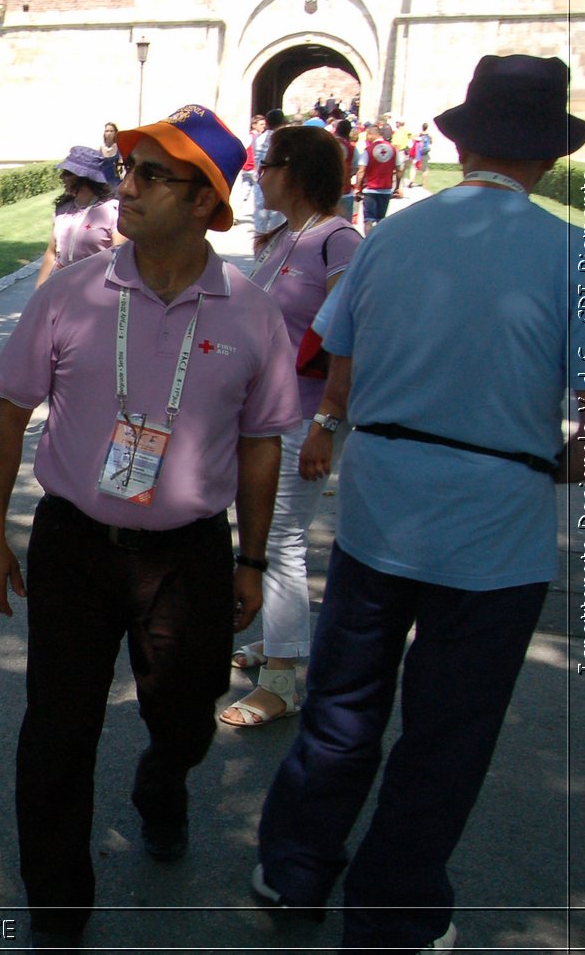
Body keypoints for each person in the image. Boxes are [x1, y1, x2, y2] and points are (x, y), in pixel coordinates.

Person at [253, 54, 585, 952]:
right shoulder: (580, 256)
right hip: (499, 525)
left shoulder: (393, 237)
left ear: (463, 141)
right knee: (447, 735)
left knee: (343, 704)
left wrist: (348, 420)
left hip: (383, 508)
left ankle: (294, 866)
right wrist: (562, 468)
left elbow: (338, 357)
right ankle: (394, 911)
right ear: (550, 159)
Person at [0, 105, 300, 944]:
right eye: (128, 169)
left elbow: (262, 446)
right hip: (74, 543)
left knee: (184, 716)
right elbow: (9, 414)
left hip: (188, 554)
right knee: (58, 727)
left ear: (204, 201)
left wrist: (253, 559)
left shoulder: (251, 313)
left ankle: (164, 786)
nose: (128, 187)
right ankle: (58, 908)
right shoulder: (72, 293)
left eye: (153, 175)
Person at [219, 126, 361, 727]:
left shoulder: (339, 240)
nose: (259, 174)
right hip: (264, 415)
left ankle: (281, 680)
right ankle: (278, 641)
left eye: (268, 164)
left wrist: (329, 421)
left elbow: (350, 338)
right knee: (262, 533)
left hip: (305, 414)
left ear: (297, 173)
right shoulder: (283, 237)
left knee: (279, 540)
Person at [33, 145, 123, 288]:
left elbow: (120, 260)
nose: (62, 177)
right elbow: (51, 252)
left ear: (84, 178)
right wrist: (40, 289)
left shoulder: (112, 211)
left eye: (67, 173)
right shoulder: (63, 210)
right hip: (60, 287)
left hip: (93, 290)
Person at [353, 123, 399, 233]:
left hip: (370, 189)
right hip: (386, 189)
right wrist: (397, 186)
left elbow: (361, 171)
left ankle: (368, 243)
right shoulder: (393, 149)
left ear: (371, 135)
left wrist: (358, 187)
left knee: (368, 220)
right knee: (381, 220)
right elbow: (399, 169)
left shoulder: (368, 150)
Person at [252, 108, 287, 234]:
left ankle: (260, 250)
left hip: (260, 180)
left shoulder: (258, 139)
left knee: (260, 223)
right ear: (282, 122)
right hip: (278, 183)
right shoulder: (283, 141)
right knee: (277, 224)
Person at [234, 115, 264, 210]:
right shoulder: (252, 137)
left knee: (244, 192)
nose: (263, 126)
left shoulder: (256, 137)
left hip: (248, 169)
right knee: (259, 193)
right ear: (254, 125)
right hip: (252, 169)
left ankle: (236, 213)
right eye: (261, 124)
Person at [98, 121, 122, 188]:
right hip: (103, 184)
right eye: (107, 131)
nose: (109, 133)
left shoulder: (119, 148)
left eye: (111, 131)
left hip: (115, 183)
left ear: (115, 133)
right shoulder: (100, 149)